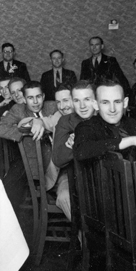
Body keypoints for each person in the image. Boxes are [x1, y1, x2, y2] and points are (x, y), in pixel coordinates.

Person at [0, 81, 52, 208]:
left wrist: (43, 123)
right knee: (9, 185)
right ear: (25, 100)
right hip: (30, 160)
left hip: (54, 161)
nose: (35, 102)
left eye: (38, 97)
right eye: (30, 98)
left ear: (43, 96)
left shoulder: (52, 106)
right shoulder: (18, 109)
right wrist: (27, 128)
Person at [73, 80, 136, 163]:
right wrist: (131, 141)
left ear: (125, 103)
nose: (112, 109)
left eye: (117, 102)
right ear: (96, 105)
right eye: (105, 102)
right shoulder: (87, 126)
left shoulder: (130, 122)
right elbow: (81, 151)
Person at [51, 82, 97, 219]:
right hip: (72, 173)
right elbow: (58, 159)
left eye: (86, 100)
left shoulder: (104, 116)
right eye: (77, 100)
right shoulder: (65, 121)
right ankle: (84, 237)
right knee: (67, 197)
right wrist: (72, 144)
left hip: (97, 174)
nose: (82, 106)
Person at [40, 49, 77, 116]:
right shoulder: (45, 75)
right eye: (54, 58)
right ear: (50, 60)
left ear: (63, 59)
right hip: (50, 108)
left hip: (67, 107)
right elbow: (42, 92)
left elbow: (74, 92)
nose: (56, 60)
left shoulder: (70, 73)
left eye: (59, 58)